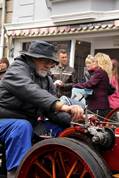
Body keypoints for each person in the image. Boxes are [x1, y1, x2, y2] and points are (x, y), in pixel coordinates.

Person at [0, 41, 84, 178]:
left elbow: (51, 112)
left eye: (50, 61)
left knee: (62, 129)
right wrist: (62, 105)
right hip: (4, 120)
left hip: (29, 122)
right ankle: (18, 173)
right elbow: (31, 91)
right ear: (31, 58)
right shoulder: (16, 70)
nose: (48, 65)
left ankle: (56, 168)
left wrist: (75, 122)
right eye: (44, 60)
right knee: (21, 126)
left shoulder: (47, 79)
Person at [73, 52, 112, 119]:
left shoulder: (99, 72)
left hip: (97, 106)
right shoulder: (103, 73)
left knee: (92, 125)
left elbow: (90, 84)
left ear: (98, 62)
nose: (89, 64)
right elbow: (110, 89)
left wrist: (75, 85)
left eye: (93, 61)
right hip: (102, 105)